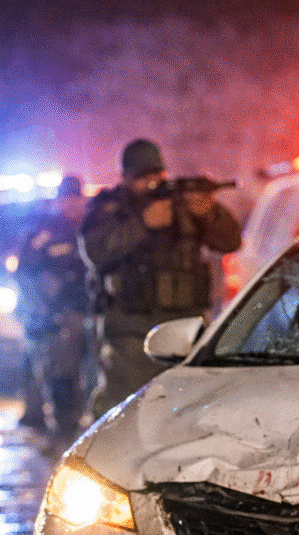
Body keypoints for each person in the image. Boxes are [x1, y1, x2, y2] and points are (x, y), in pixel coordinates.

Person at [79, 138, 242, 417]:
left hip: (185, 327)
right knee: (125, 413)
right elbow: (95, 250)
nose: (152, 182)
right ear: (125, 178)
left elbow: (230, 241)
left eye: (156, 173)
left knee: (190, 410)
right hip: (130, 330)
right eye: (142, 177)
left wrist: (208, 213)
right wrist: (142, 225)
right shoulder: (111, 209)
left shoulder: (180, 205)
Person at [14, 175, 92, 456]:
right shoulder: (45, 233)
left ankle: (85, 433)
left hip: (93, 312)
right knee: (62, 377)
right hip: (60, 316)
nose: (72, 204)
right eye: (67, 199)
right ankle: (63, 434)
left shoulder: (91, 227)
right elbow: (25, 274)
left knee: (93, 378)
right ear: (60, 201)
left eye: (76, 198)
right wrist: (43, 308)